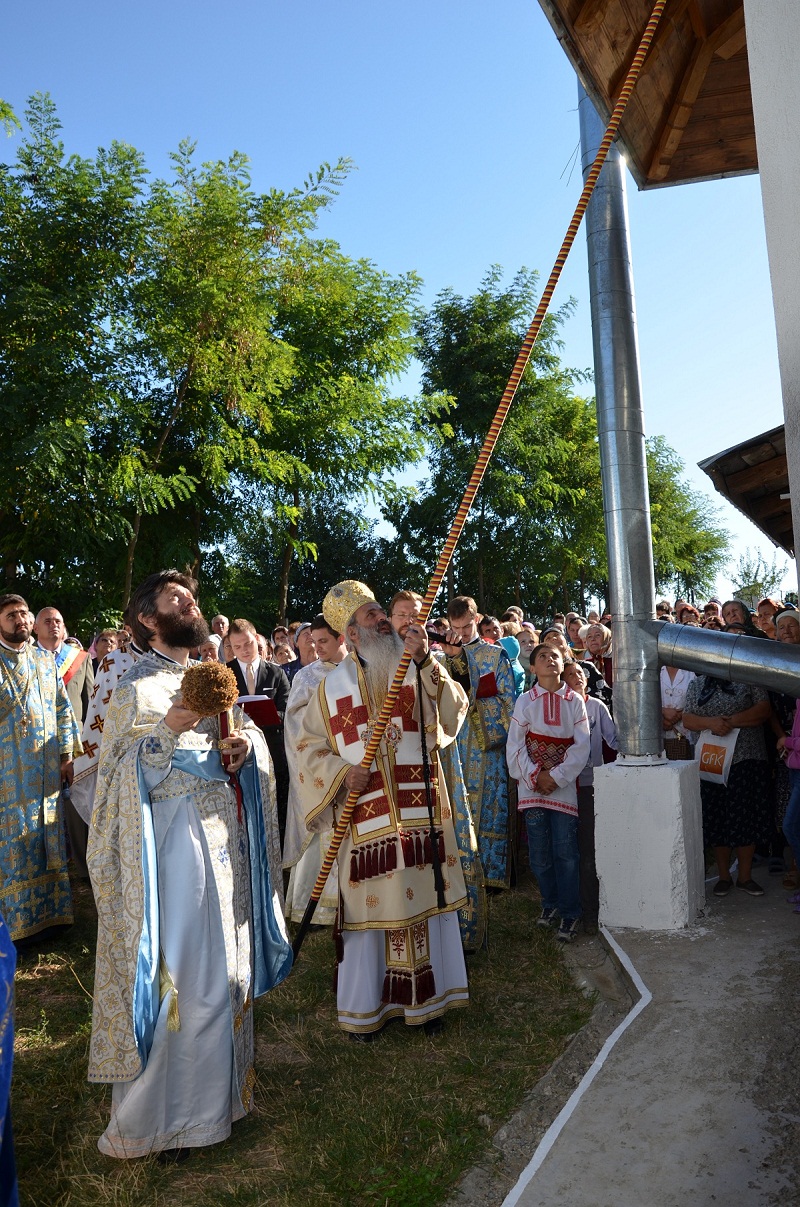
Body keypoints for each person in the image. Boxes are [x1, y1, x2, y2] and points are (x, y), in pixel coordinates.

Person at [87, 570, 291, 1159]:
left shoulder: (215, 678)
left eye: (192, 597)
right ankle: (164, 1118)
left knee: (225, 970)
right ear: (148, 619)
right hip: (172, 854)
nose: (190, 604)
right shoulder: (132, 688)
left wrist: (244, 750)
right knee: (181, 977)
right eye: (176, 599)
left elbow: (249, 742)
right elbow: (116, 786)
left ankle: (219, 1104)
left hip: (224, 840)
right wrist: (168, 729)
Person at [295, 580, 470, 1038]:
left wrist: (428, 661)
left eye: (380, 611)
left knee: (423, 901)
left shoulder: (416, 666)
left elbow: (454, 712)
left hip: (420, 812)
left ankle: (428, 1005)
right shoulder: (331, 687)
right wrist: (339, 772)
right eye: (371, 614)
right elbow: (305, 745)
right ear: (351, 634)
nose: (382, 619)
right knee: (371, 910)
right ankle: (368, 1010)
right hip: (366, 819)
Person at [390, 591, 486, 953]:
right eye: (401, 614)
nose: (407, 622)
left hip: (429, 769)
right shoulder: (375, 658)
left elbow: (455, 704)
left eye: (415, 615)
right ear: (389, 618)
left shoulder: (430, 658)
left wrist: (425, 660)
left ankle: (449, 931)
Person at [0, 594, 82, 942]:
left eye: (23, 613)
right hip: (7, 771)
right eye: (10, 615)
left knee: (46, 835)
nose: (19, 619)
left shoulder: (45, 660)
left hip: (46, 769)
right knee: (13, 842)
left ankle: (53, 918)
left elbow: (63, 709)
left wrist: (67, 755)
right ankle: (15, 927)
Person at [506, 644, 590, 942]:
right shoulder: (524, 701)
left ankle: (570, 912)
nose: (549, 660)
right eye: (542, 656)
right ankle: (550, 904)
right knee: (540, 853)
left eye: (554, 656)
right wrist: (534, 776)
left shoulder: (574, 701)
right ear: (532, 668)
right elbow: (515, 744)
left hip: (562, 788)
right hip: (532, 788)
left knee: (566, 851)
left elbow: (582, 746)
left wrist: (555, 777)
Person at [441, 596, 516, 889]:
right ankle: (456, 874)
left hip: (485, 744)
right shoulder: (440, 658)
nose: (461, 633)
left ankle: (489, 875)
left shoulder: (495, 655)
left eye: (467, 625)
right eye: (455, 627)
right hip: (452, 742)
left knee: (487, 805)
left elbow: (509, 702)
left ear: (477, 619)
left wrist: (475, 703)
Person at [283, 614, 348, 926]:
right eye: (313, 641)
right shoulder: (306, 676)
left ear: (341, 639)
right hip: (321, 762)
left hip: (353, 762)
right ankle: (319, 908)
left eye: (324, 641)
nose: (316, 647)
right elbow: (294, 722)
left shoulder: (359, 670)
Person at [682, 672, 772, 897]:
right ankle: (724, 877)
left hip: (747, 759)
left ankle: (745, 877)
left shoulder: (750, 679)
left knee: (747, 817)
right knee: (717, 818)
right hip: (712, 761)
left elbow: (763, 710)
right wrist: (710, 723)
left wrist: (729, 722)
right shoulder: (697, 684)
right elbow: (688, 719)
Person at [35, 606, 96, 877]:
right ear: (35, 628)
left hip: (74, 744)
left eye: (58, 620)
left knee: (75, 806)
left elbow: (90, 704)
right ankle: (43, 867)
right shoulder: (24, 658)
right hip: (35, 745)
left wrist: (82, 746)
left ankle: (83, 870)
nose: (53, 625)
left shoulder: (80, 659)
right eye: (47, 621)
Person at [562, 660, 617, 935]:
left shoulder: (597, 706)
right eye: (570, 674)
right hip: (563, 788)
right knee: (568, 851)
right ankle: (568, 909)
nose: (578, 677)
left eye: (581, 673)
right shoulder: (559, 706)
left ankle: (592, 913)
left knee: (589, 851)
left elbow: (614, 740)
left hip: (590, 786)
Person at [227, 618, 291, 845]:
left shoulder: (276, 673)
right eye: (237, 647)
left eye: (247, 644)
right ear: (230, 648)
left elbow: (288, 711)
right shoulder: (225, 674)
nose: (244, 650)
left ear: (256, 639)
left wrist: (266, 715)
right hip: (238, 752)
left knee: (277, 806)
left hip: (274, 749)